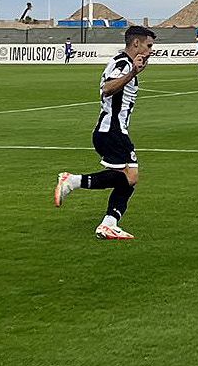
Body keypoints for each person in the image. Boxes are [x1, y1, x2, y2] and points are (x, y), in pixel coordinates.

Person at [52, 26, 158, 240]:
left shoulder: (124, 63)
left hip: (112, 130)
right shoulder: (122, 63)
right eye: (149, 46)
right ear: (135, 44)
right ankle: (72, 181)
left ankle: (108, 223)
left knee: (128, 179)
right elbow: (108, 88)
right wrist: (133, 73)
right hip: (112, 130)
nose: (150, 51)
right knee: (130, 177)